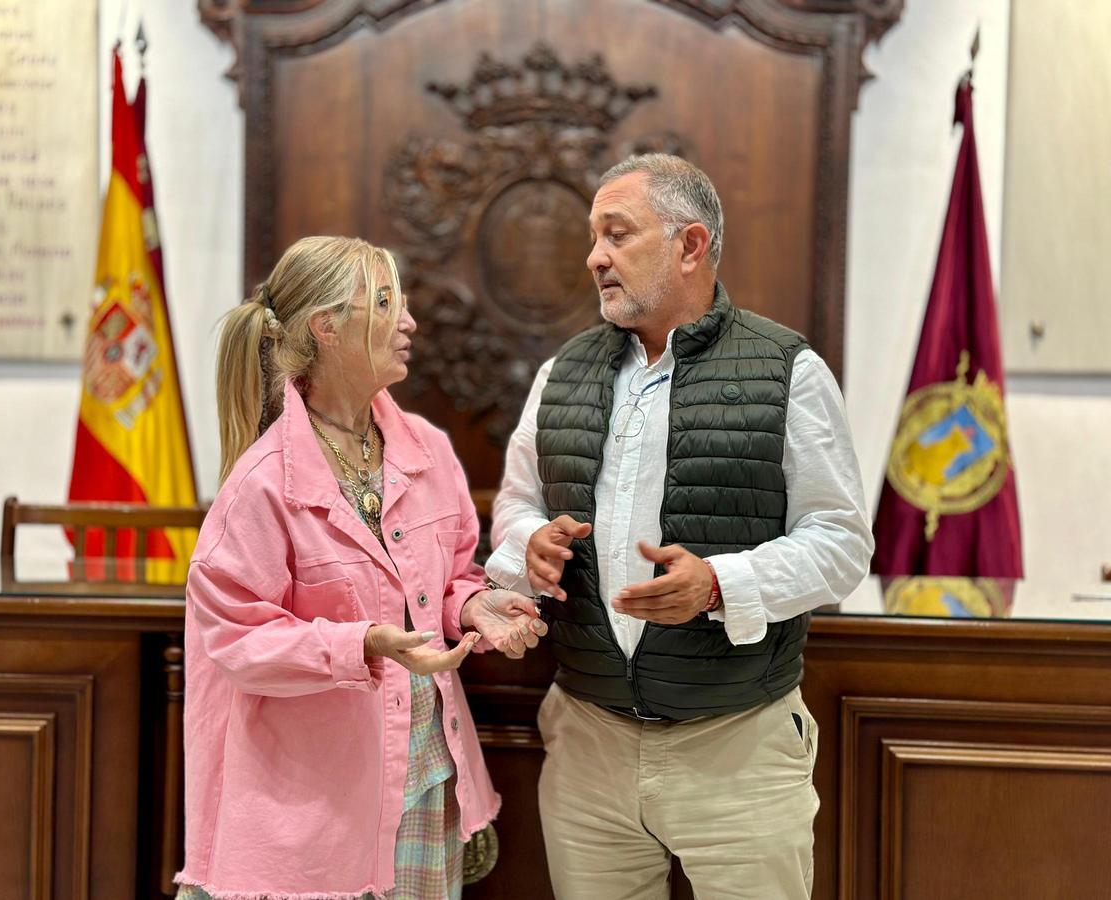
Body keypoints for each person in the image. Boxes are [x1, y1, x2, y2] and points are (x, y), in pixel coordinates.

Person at [486, 154, 874, 900]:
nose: (594, 256)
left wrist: (722, 584)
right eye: (593, 236)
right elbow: (515, 502)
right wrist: (526, 543)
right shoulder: (561, 372)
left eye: (617, 234)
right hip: (587, 745)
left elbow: (841, 542)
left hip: (738, 748)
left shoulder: (788, 370)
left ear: (689, 245)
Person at [175, 235, 546, 900]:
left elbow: (453, 575)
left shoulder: (426, 449)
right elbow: (234, 640)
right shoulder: (261, 485)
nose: (408, 323)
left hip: (427, 775)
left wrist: (473, 606)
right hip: (312, 811)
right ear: (327, 327)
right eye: (384, 304)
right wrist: (361, 644)